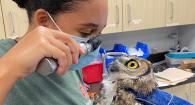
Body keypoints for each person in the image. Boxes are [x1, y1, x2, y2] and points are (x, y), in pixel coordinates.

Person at [0, 0, 108, 105]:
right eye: (87, 32)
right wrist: (10, 68)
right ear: (44, 21)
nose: (94, 44)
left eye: (99, 32)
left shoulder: (69, 58)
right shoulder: (3, 55)